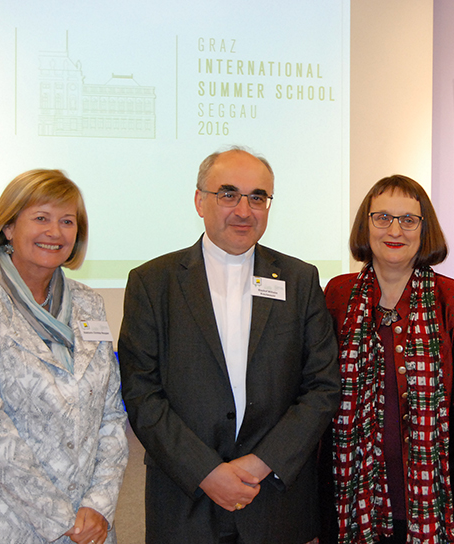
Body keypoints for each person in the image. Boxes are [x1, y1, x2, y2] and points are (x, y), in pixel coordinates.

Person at [118, 147, 340, 544]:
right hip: (184, 496)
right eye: (228, 194)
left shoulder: (300, 279)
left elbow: (322, 388)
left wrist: (260, 464)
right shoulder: (153, 282)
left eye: (258, 197)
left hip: (274, 498)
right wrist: (206, 471)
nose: (244, 209)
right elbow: (141, 393)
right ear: (200, 200)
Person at [0, 169, 129, 544]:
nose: (55, 233)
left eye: (67, 221)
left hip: (88, 524)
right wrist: (61, 516)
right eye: (41, 218)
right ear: (8, 227)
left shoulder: (89, 303)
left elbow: (110, 413)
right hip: (0, 520)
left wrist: (99, 504)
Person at [323, 175, 454, 544]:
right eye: (382, 217)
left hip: (435, 510)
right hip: (351, 505)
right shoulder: (337, 294)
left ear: (423, 229)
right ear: (365, 225)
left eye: (408, 220)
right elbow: (320, 409)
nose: (394, 229)